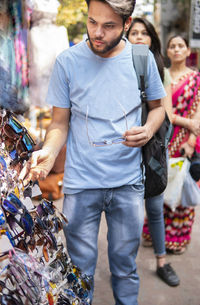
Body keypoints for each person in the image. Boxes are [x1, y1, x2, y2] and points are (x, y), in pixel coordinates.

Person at [20, 1, 166, 304]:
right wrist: (48, 151)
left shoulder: (142, 59)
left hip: (127, 184)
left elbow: (158, 109)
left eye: (109, 26)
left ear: (126, 24)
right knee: (79, 271)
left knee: (125, 268)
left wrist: (149, 130)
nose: (97, 33)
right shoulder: (67, 61)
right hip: (81, 186)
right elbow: (59, 121)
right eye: (92, 22)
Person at [126, 17, 180, 287]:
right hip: (124, 148)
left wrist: (156, 138)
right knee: (127, 212)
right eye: (133, 33)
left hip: (154, 146)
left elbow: (165, 111)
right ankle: (125, 265)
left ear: (151, 39)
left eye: (143, 34)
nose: (137, 38)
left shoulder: (160, 68)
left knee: (155, 207)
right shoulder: (119, 64)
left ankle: (161, 260)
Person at [163, 35, 200, 254]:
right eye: (172, 46)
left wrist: (191, 142)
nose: (177, 49)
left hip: (185, 141)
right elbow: (164, 111)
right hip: (165, 139)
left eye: (181, 46)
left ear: (188, 51)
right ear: (167, 51)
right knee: (163, 184)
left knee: (182, 185)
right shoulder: (163, 76)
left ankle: (179, 235)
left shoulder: (196, 79)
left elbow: (198, 112)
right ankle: (157, 231)